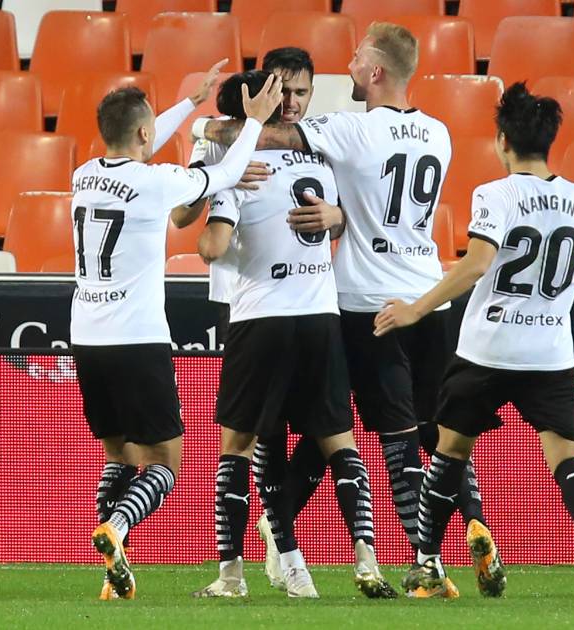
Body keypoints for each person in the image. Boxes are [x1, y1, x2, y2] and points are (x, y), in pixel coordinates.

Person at [194, 22, 492, 595]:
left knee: (382, 437)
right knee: (378, 430)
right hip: (425, 296)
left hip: (358, 303)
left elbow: (273, 141)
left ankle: (419, 559)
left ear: (375, 71)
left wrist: (204, 128)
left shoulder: (348, 132)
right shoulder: (439, 133)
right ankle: (469, 526)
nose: (348, 66)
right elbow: (373, 201)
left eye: (356, 58)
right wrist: (342, 216)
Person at [374, 82, 574, 600]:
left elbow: (478, 263)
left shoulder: (496, 194)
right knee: (566, 457)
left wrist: (416, 309)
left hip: (487, 347)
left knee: (449, 455)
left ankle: (427, 563)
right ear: (549, 141)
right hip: (549, 352)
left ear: (502, 141)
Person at [72, 61, 284, 600]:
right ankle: (117, 527)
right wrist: (255, 121)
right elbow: (226, 173)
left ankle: (112, 573)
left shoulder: (83, 175)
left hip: (86, 337)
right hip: (136, 339)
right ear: (145, 134)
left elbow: (141, 138)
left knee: (118, 456)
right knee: (165, 464)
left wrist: (190, 103)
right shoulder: (156, 182)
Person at [195, 70, 396, 601]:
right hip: (321, 317)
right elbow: (359, 215)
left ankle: (231, 575)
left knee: (239, 446)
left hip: (260, 318)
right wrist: (338, 216)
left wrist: (218, 198)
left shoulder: (240, 166)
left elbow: (213, 248)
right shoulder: (323, 163)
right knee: (339, 441)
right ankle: (366, 559)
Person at [183, 47, 341, 592]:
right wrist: (218, 170)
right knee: (267, 438)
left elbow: (351, 213)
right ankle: (287, 557)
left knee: (290, 435)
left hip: (288, 303)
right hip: (248, 298)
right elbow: (183, 213)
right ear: (262, 90)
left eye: (301, 92)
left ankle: (264, 554)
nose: (291, 102)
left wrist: (337, 215)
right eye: (282, 91)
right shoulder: (221, 142)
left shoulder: (315, 141)